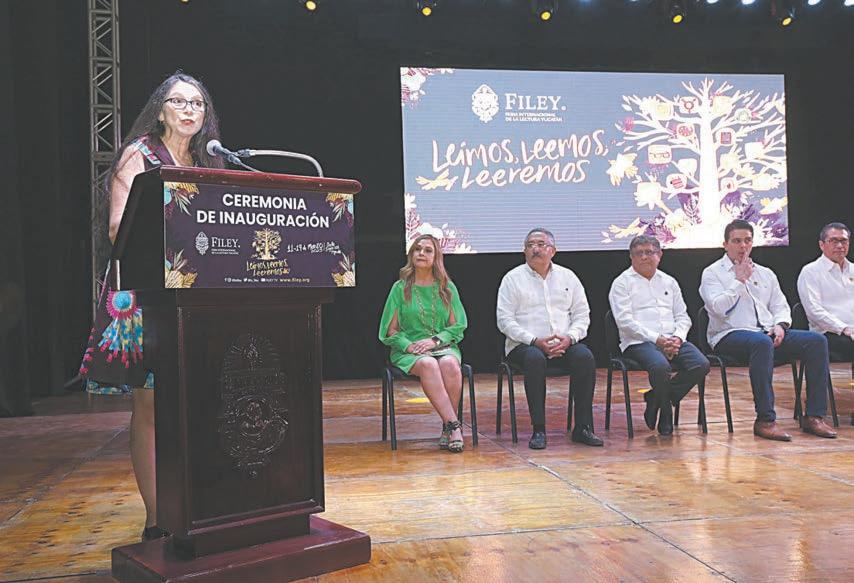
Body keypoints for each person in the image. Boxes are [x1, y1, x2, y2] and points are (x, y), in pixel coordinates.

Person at [79, 72, 224, 540]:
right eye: (179, 102)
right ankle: (157, 515)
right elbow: (117, 228)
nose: (189, 110)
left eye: (197, 103)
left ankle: (198, 501)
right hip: (145, 292)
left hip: (196, 293)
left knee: (196, 398)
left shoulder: (210, 159)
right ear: (160, 111)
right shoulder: (138, 155)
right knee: (151, 404)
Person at [699, 219, 836, 441]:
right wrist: (739, 280)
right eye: (736, 241)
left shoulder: (765, 273)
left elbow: (780, 306)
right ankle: (765, 420)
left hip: (766, 334)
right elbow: (718, 309)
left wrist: (781, 326)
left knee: (816, 341)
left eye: (747, 240)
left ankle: (814, 416)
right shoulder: (712, 273)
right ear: (725, 244)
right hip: (727, 335)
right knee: (761, 343)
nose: (743, 246)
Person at [496, 228, 603, 449]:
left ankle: (583, 427)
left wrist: (570, 338)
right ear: (524, 251)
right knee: (534, 358)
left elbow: (582, 315)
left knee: (584, 356)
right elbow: (504, 320)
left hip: (563, 343)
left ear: (553, 251)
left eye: (541, 244)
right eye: (530, 245)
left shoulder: (568, 277)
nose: (535, 249)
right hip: (525, 345)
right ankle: (539, 429)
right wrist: (535, 340)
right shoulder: (512, 279)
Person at [609, 235, 709, 436]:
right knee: (660, 366)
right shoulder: (622, 283)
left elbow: (683, 316)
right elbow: (625, 322)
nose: (644, 257)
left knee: (701, 364)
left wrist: (678, 337)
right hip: (639, 342)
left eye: (649, 252)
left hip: (672, 338)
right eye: (639, 253)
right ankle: (665, 412)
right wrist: (658, 340)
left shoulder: (669, 282)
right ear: (631, 257)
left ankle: (656, 398)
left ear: (659, 255)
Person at [378, 234, 469, 453]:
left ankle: (447, 426)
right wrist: (409, 346)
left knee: (449, 364)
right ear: (411, 255)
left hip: (442, 345)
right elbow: (390, 330)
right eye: (417, 249)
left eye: (428, 250)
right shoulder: (400, 288)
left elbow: (458, 326)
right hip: (410, 349)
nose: (421, 253)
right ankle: (454, 425)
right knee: (428, 364)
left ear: (436, 257)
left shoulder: (447, 288)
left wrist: (435, 341)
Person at [797, 222, 854, 360]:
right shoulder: (810, 272)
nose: (840, 246)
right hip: (830, 334)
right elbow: (814, 311)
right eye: (833, 241)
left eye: (844, 241)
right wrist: (844, 328)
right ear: (821, 245)